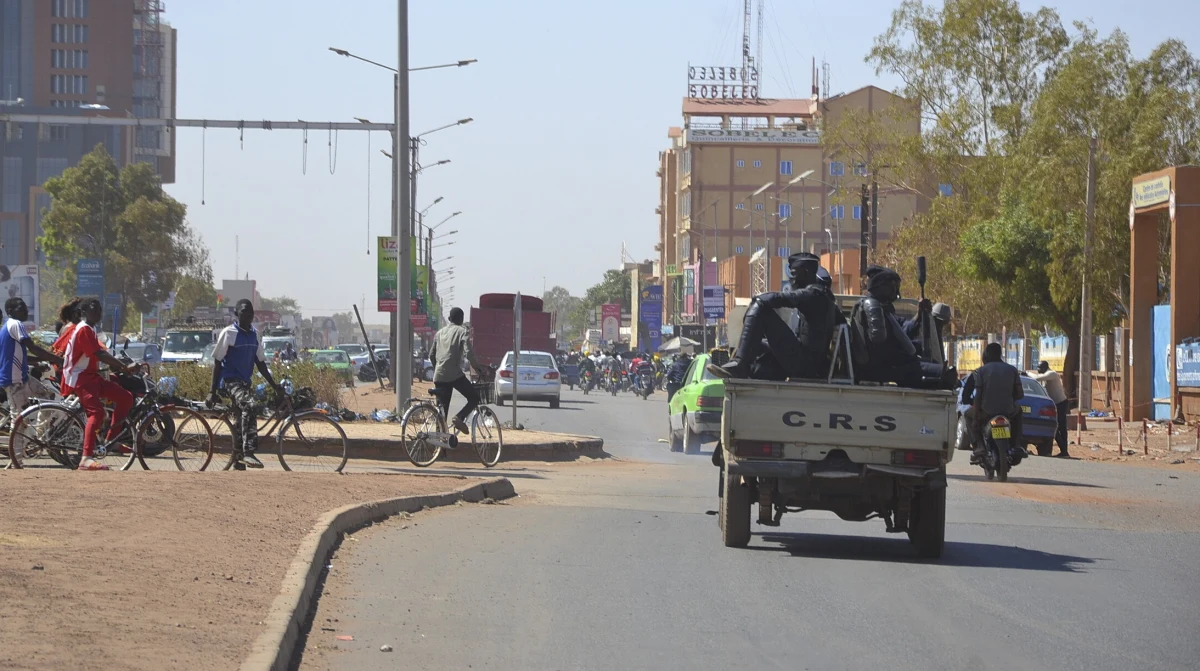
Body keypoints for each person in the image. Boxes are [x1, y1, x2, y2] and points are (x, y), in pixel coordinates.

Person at [709, 253, 842, 381]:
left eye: (794, 274)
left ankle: (740, 365)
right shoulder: (826, 299)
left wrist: (755, 303)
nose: (791, 279)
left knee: (761, 307)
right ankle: (743, 368)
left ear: (806, 273)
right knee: (759, 345)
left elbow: (779, 299)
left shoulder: (813, 295)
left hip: (806, 365)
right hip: (811, 365)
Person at [61, 298, 138, 471]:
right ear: (83, 313)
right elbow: (99, 354)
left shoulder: (92, 329)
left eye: (99, 310)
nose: (98, 313)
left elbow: (103, 352)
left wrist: (123, 365)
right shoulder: (83, 330)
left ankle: (112, 441)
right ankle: (86, 458)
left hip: (92, 377)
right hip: (80, 378)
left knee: (125, 398)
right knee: (97, 413)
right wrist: (124, 367)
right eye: (93, 310)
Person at [207, 300, 283, 470]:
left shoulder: (254, 335)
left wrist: (274, 385)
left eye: (250, 313)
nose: (247, 316)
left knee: (240, 419)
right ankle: (248, 452)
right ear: (236, 314)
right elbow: (218, 362)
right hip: (230, 381)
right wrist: (212, 391)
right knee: (250, 405)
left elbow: (261, 363)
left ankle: (237, 459)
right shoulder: (228, 333)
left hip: (244, 383)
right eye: (243, 313)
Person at [850, 267, 951, 388]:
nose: (896, 290)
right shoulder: (872, 307)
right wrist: (906, 356)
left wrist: (919, 315)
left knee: (935, 366)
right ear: (881, 285)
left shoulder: (884, 310)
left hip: (888, 366)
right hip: (880, 370)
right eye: (892, 286)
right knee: (942, 374)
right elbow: (883, 348)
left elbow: (902, 329)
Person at [963, 342, 1024, 464]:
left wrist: (976, 418)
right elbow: (1020, 394)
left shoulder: (980, 371)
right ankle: (1017, 444)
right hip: (1008, 411)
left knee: (966, 415)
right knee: (1019, 411)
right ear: (1000, 354)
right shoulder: (1012, 370)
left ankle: (979, 446)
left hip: (986, 411)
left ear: (985, 355)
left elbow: (978, 396)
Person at [428, 307, 483, 435]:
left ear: (449, 319)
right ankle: (460, 417)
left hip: (438, 376)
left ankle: (440, 446)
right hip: (454, 375)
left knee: (442, 413)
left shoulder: (439, 333)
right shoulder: (462, 331)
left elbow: (431, 355)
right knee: (474, 398)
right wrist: (478, 369)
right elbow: (469, 353)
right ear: (461, 319)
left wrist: (438, 368)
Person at [1033, 360, 1070, 457]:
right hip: (1055, 404)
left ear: (1045, 368)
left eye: (1040, 368)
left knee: (1059, 427)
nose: (1038, 370)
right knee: (1057, 427)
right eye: (1037, 367)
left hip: (1061, 404)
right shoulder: (1047, 376)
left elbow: (1036, 378)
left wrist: (1026, 373)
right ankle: (1064, 451)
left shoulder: (1052, 374)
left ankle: (1064, 451)